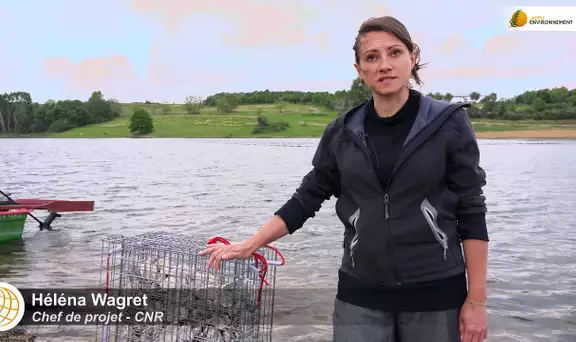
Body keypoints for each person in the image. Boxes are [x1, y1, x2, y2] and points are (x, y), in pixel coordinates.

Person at [199, 15, 489, 342]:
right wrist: (251, 244)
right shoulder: (341, 133)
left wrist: (476, 300)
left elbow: (472, 212)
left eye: (395, 53)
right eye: (372, 57)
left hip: (436, 296)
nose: (384, 65)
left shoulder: (448, 123)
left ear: (412, 57)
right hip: (360, 296)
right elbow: (306, 198)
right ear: (359, 70)